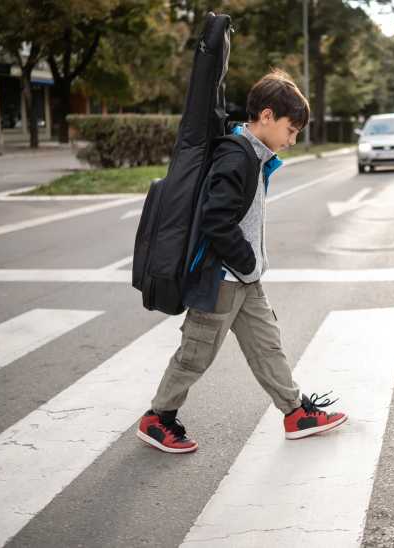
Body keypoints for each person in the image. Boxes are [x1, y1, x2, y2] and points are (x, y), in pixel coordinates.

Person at [136, 70, 347, 453]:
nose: (293, 139)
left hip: (244, 280)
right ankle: (158, 418)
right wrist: (247, 260)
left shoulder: (252, 154)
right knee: (195, 355)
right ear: (267, 116)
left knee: (268, 345)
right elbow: (217, 219)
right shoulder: (237, 156)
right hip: (222, 279)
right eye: (291, 129)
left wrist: (250, 268)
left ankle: (295, 411)